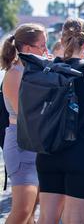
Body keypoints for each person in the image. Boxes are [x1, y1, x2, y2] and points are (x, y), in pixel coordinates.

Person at [36, 18, 84, 224]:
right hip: (82, 152)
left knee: (46, 218)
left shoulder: (48, 69)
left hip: (49, 151)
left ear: (61, 39)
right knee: (75, 220)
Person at [0, 23, 47, 224]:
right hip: (21, 143)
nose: (46, 50)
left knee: (30, 214)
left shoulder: (29, 71)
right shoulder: (15, 73)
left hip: (34, 143)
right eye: (42, 46)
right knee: (22, 211)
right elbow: (30, 114)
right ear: (27, 49)